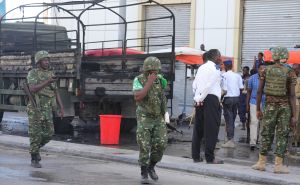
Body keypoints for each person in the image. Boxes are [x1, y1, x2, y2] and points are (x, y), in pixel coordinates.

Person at [252, 46, 297, 174]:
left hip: (269, 106)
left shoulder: (265, 70)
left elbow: (259, 91)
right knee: (282, 134)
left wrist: (258, 108)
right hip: (285, 108)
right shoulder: (290, 72)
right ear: (285, 56)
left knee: (266, 133)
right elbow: (292, 95)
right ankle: (278, 165)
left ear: (274, 56)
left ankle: (261, 163)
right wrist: (294, 115)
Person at [133, 56, 168, 182]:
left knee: (161, 144)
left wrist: (165, 116)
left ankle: (151, 166)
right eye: (152, 71)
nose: (155, 73)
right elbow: (138, 97)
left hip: (158, 117)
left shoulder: (160, 80)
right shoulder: (138, 80)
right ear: (147, 70)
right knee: (144, 144)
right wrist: (149, 82)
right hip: (144, 117)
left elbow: (162, 96)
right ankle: (144, 172)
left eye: (156, 71)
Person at [26, 50, 64, 168]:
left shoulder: (50, 73)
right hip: (35, 108)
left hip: (47, 108)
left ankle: (35, 149)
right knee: (35, 133)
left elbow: (55, 91)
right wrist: (48, 81)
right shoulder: (33, 73)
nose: (47, 62)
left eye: (48, 60)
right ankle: (34, 158)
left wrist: (61, 107)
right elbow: (33, 89)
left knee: (49, 133)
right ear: (39, 62)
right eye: (44, 60)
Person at [192, 49, 223, 164]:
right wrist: (201, 97)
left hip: (200, 98)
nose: (221, 58)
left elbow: (194, 84)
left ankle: (195, 156)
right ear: (216, 57)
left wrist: (197, 98)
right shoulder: (215, 68)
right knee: (211, 129)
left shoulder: (201, 67)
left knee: (198, 128)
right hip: (210, 99)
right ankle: (210, 158)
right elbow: (209, 85)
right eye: (220, 56)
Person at [221, 60, 244, 148]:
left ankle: (230, 140)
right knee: (232, 119)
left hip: (228, 98)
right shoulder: (237, 75)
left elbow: (224, 89)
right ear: (232, 66)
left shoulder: (224, 75)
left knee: (229, 120)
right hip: (236, 99)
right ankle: (230, 138)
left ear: (226, 67)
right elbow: (241, 88)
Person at [246, 64, 265, 150]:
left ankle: (261, 143)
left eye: (264, 69)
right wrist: (247, 104)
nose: (262, 71)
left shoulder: (268, 78)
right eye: (261, 69)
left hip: (265, 103)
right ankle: (253, 143)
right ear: (258, 69)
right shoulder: (252, 78)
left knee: (263, 123)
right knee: (254, 122)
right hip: (253, 102)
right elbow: (249, 92)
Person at [239, 66, 250, 130]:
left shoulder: (250, 78)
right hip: (242, 96)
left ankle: (248, 123)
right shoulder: (241, 78)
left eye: (245, 70)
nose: (244, 72)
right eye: (243, 70)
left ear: (248, 71)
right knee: (241, 111)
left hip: (248, 95)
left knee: (248, 110)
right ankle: (243, 124)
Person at [293, 64, 300, 146]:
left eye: (295, 69)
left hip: (297, 103)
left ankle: (296, 140)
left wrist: (296, 95)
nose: (294, 71)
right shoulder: (291, 78)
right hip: (292, 102)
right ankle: (294, 140)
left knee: (297, 122)